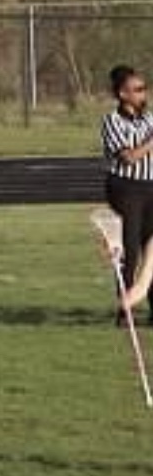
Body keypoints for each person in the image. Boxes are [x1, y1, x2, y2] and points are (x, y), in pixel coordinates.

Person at [100, 65, 153, 322]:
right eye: (138, 90)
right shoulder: (112, 121)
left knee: (151, 249)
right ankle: (125, 310)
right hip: (125, 187)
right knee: (130, 249)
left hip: (151, 187)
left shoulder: (149, 119)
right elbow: (129, 157)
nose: (144, 94)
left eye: (145, 88)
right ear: (123, 94)